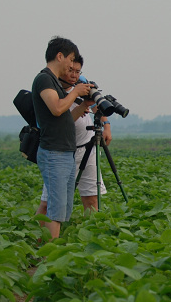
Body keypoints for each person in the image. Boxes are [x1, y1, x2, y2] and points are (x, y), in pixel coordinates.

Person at [32, 36, 94, 240]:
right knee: (56, 211)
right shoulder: (44, 79)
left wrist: (84, 105)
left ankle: (41, 247)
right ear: (60, 56)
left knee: (62, 209)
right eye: (71, 59)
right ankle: (48, 258)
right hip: (54, 152)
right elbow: (57, 108)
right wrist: (76, 91)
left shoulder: (56, 84)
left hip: (65, 152)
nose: (71, 66)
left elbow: (65, 119)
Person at [35, 54, 112, 219]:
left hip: (87, 147)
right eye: (70, 70)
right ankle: (37, 237)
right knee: (49, 202)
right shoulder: (52, 89)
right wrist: (77, 98)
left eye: (77, 71)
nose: (74, 75)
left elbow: (98, 103)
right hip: (62, 152)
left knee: (91, 198)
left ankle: (91, 236)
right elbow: (62, 121)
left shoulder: (81, 83)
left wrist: (106, 125)